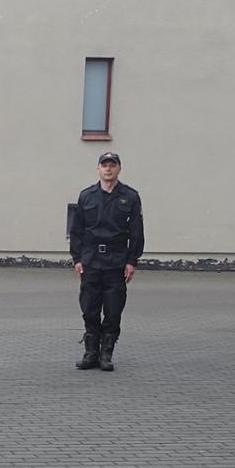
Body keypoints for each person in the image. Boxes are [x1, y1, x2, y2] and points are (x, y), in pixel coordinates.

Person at [68, 152, 144, 371]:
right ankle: (91, 352)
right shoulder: (86, 196)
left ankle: (106, 355)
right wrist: (77, 258)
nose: (108, 169)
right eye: (104, 165)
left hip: (117, 261)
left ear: (119, 168)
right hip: (91, 261)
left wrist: (132, 261)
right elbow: (77, 230)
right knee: (89, 308)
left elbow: (136, 232)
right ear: (98, 169)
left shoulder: (130, 197)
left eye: (112, 165)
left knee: (113, 309)